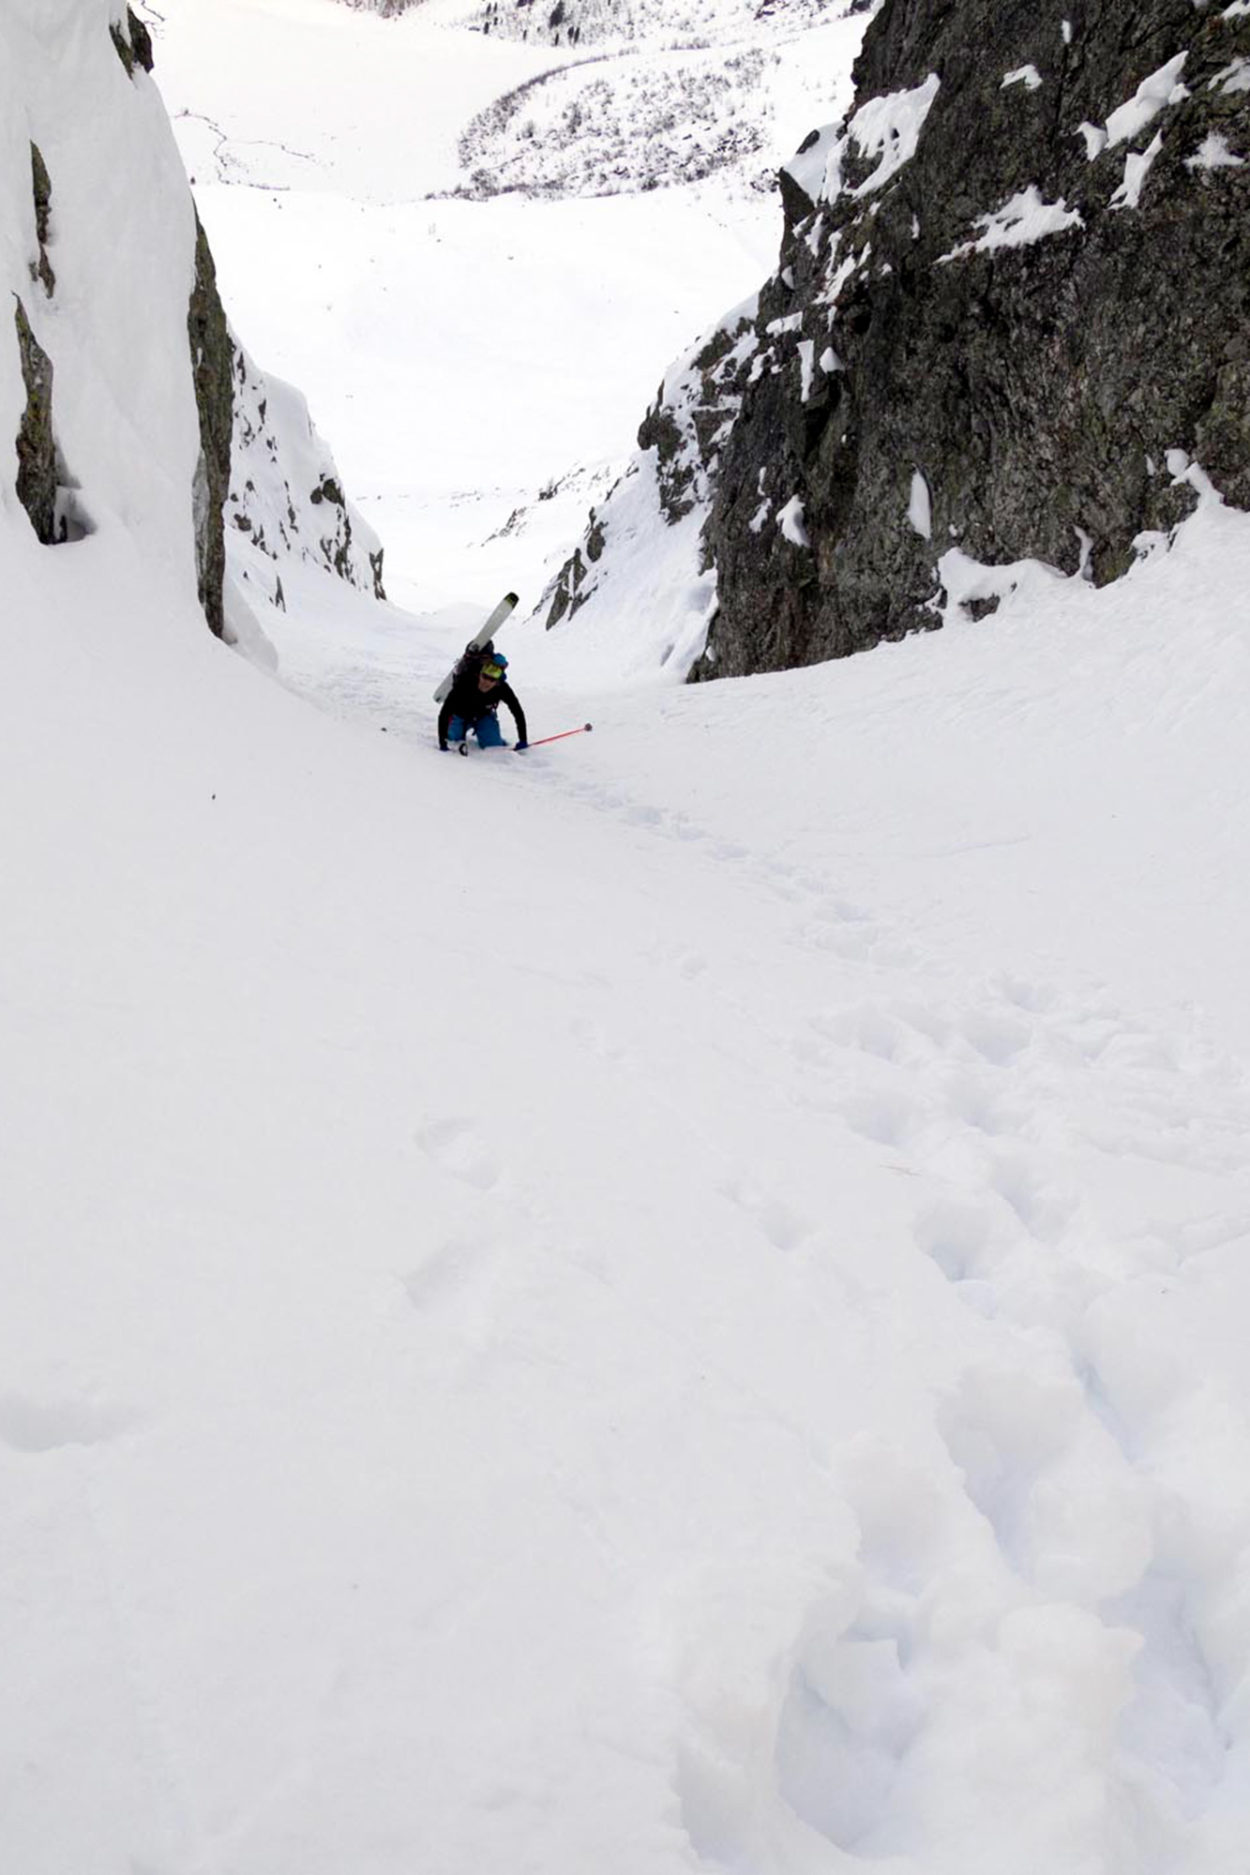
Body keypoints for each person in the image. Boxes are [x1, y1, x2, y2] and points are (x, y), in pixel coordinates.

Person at [437, 649, 528, 753]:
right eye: (484, 676)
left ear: (497, 681)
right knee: (452, 738)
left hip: (483, 716)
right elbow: (445, 712)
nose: (486, 682)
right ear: (479, 673)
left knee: (493, 745)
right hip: (460, 716)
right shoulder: (465, 682)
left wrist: (523, 739)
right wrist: (442, 743)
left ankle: (494, 737)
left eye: (492, 679)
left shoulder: (502, 688)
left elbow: (517, 712)